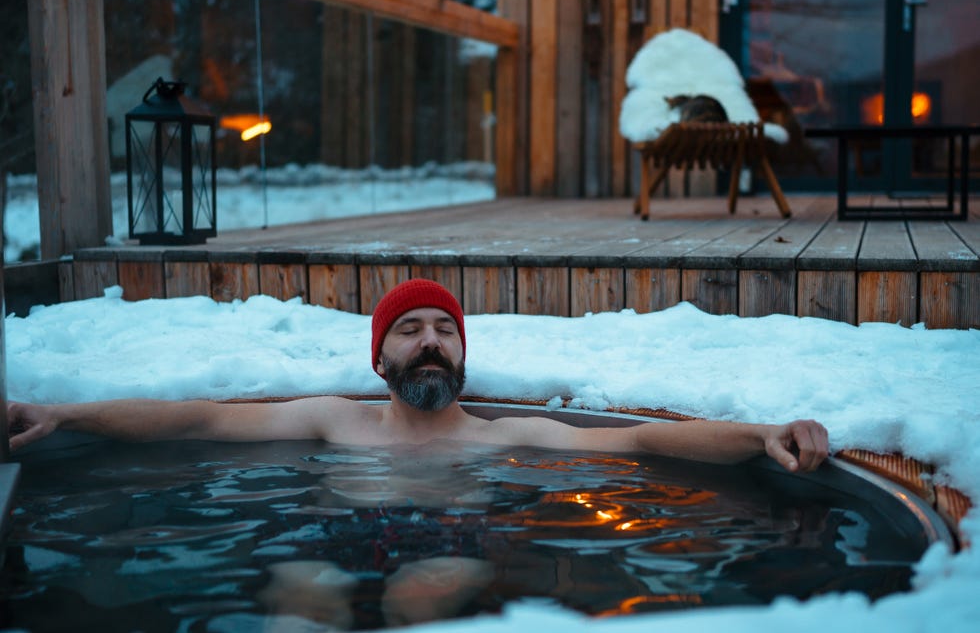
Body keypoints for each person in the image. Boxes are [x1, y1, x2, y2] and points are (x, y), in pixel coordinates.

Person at [7, 278, 829, 471]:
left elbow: (646, 441)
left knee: (422, 600)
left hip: (450, 545)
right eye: (410, 330)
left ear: (463, 357)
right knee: (301, 608)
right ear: (381, 360)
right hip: (329, 544)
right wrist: (69, 415)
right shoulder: (331, 421)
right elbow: (197, 421)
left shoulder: (510, 434)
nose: (431, 341)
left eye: (445, 330)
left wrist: (760, 434)